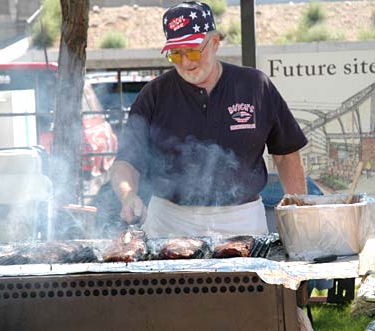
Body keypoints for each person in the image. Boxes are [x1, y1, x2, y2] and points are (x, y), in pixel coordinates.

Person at [110, 1, 307, 239]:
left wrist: (300, 212)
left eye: (193, 51)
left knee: (249, 278)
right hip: (170, 222)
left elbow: (286, 153)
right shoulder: (154, 94)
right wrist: (128, 195)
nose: (186, 62)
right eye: (175, 54)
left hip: (241, 220)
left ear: (214, 43)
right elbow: (126, 162)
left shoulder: (254, 85)